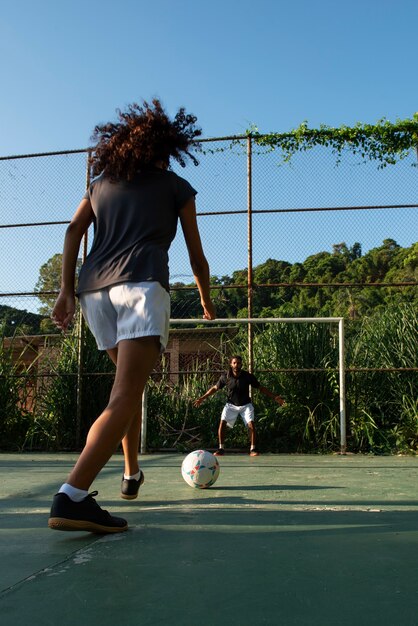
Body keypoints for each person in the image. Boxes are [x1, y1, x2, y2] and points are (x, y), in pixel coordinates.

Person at [48, 99, 216, 533]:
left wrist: (65, 291)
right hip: (141, 285)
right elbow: (197, 258)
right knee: (123, 397)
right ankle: (73, 495)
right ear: (166, 147)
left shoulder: (100, 183)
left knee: (127, 393)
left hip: (94, 293)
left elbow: (72, 232)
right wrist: (206, 300)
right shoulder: (176, 186)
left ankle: (131, 474)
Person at [193, 355, 284, 456]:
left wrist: (275, 397)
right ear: (231, 364)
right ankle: (221, 449)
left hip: (246, 405)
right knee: (222, 423)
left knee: (251, 424)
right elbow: (215, 388)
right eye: (234, 363)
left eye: (238, 363)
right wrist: (202, 398)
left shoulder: (247, 376)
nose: (236, 365)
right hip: (230, 405)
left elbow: (261, 388)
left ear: (241, 364)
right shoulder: (225, 377)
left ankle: (253, 449)